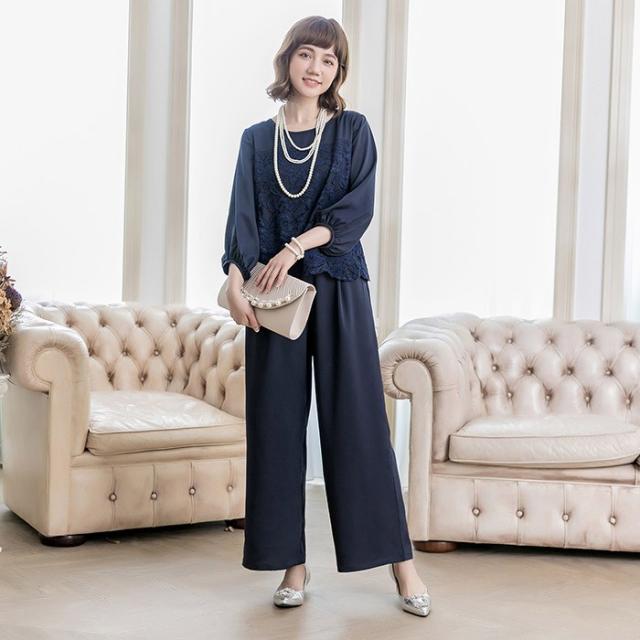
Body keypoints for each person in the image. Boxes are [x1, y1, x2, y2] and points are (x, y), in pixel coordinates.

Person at [221, 15, 431, 617]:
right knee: (276, 427)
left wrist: (293, 248)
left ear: (338, 71)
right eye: (307, 54)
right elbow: (241, 222)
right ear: (287, 59)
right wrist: (233, 279)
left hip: (337, 287)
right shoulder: (256, 141)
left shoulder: (352, 130)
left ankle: (402, 564)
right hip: (273, 297)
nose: (316, 67)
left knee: (358, 423)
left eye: (329, 59)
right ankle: (293, 563)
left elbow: (354, 213)